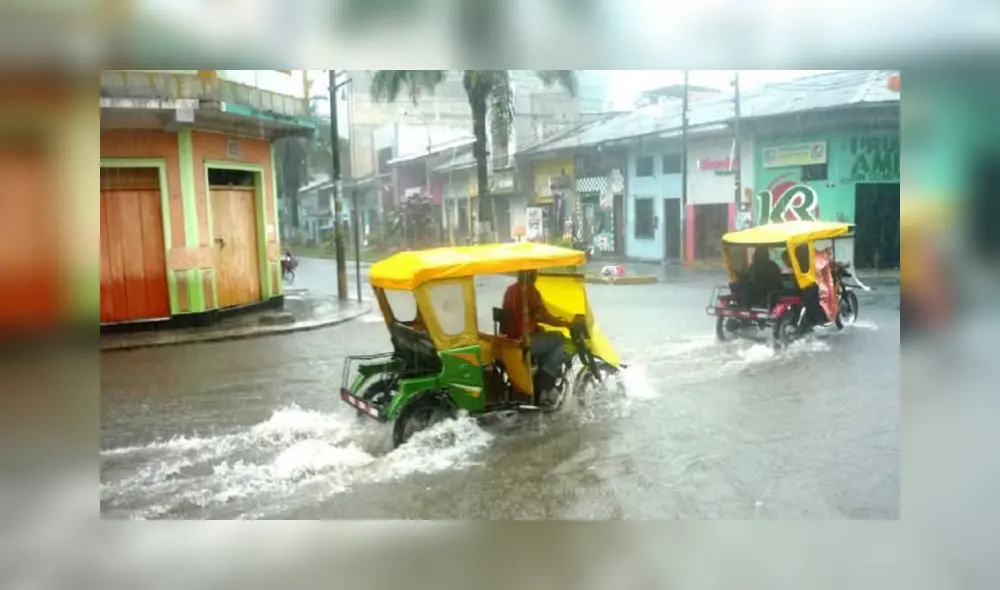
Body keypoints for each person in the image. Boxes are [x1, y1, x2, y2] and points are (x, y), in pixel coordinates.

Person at [501, 270, 572, 407]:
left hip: (510, 340)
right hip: (523, 342)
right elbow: (543, 316)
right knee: (558, 338)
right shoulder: (530, 291)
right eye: (535, 272)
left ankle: (539, 376)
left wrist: (535, 327)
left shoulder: (510, 290)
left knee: (545, 335)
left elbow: (520, 316)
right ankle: (546, 381)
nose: (536, 275)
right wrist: (565, 323)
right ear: (531, 275)